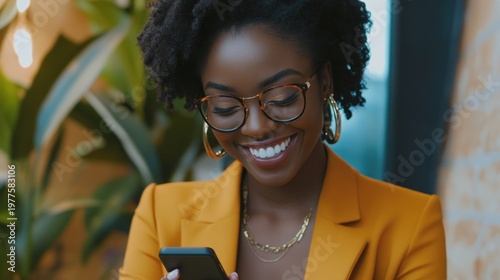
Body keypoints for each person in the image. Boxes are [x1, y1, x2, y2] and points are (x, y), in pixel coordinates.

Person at [119, 1, 447, 279]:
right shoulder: (161, 215)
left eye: (282, 97)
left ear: (325, 82)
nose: (258, 127)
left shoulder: (411, 225)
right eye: (225, 106)